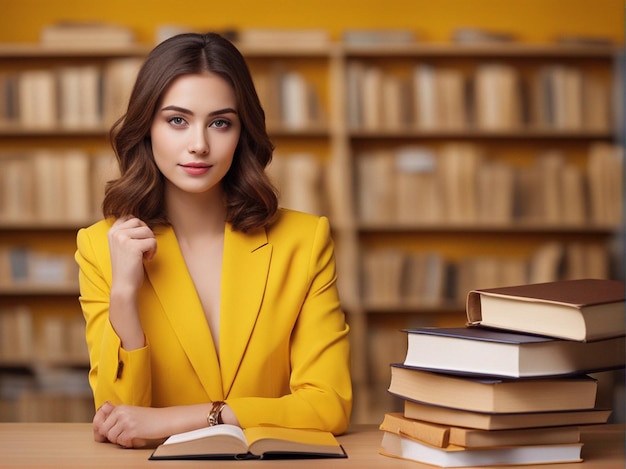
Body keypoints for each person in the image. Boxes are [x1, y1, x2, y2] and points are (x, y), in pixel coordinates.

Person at [75, 32, 352, 449]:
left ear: (243, 133)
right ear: (146, 128)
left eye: (220, 122)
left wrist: (199, 416)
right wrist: (124, 295)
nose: (200, 145)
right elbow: (120, 422)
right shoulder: (100, 247)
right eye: (177, 120)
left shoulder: (305, 241)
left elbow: (329, 406)